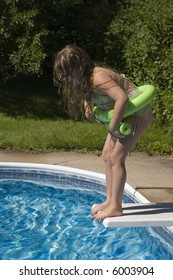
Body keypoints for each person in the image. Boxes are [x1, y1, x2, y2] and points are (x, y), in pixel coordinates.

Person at [53, 44, 153, 221]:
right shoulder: (85, 80)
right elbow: (86, 96)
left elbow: (121, 98)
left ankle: (116, 206)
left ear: (79, 66)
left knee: (116, 157)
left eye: (68, 74)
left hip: (137, 113)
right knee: (107, 154)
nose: (67, 79)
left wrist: (113, 126)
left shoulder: (98, 77)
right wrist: (87, 108)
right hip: (123, 116)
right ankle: (110, 200)